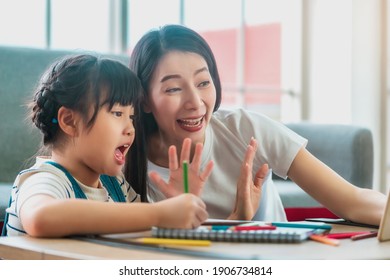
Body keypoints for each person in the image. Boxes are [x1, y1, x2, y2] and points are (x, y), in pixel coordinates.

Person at [127, 24, 386, 225]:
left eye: (204, 83)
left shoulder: (245, 130)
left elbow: (351, 200)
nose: (195, 102)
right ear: (145, 100)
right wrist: (235, 221)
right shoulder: (125, 160)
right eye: (173, 88)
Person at [3, 54, 208, 237]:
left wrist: (179, 205)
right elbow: (41, 217)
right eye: (118, 114)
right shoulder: (44, 180)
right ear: (69, 121)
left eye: (132, 117)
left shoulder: (116, 185)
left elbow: (141, 231)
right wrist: (160, 213)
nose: (130, 129)